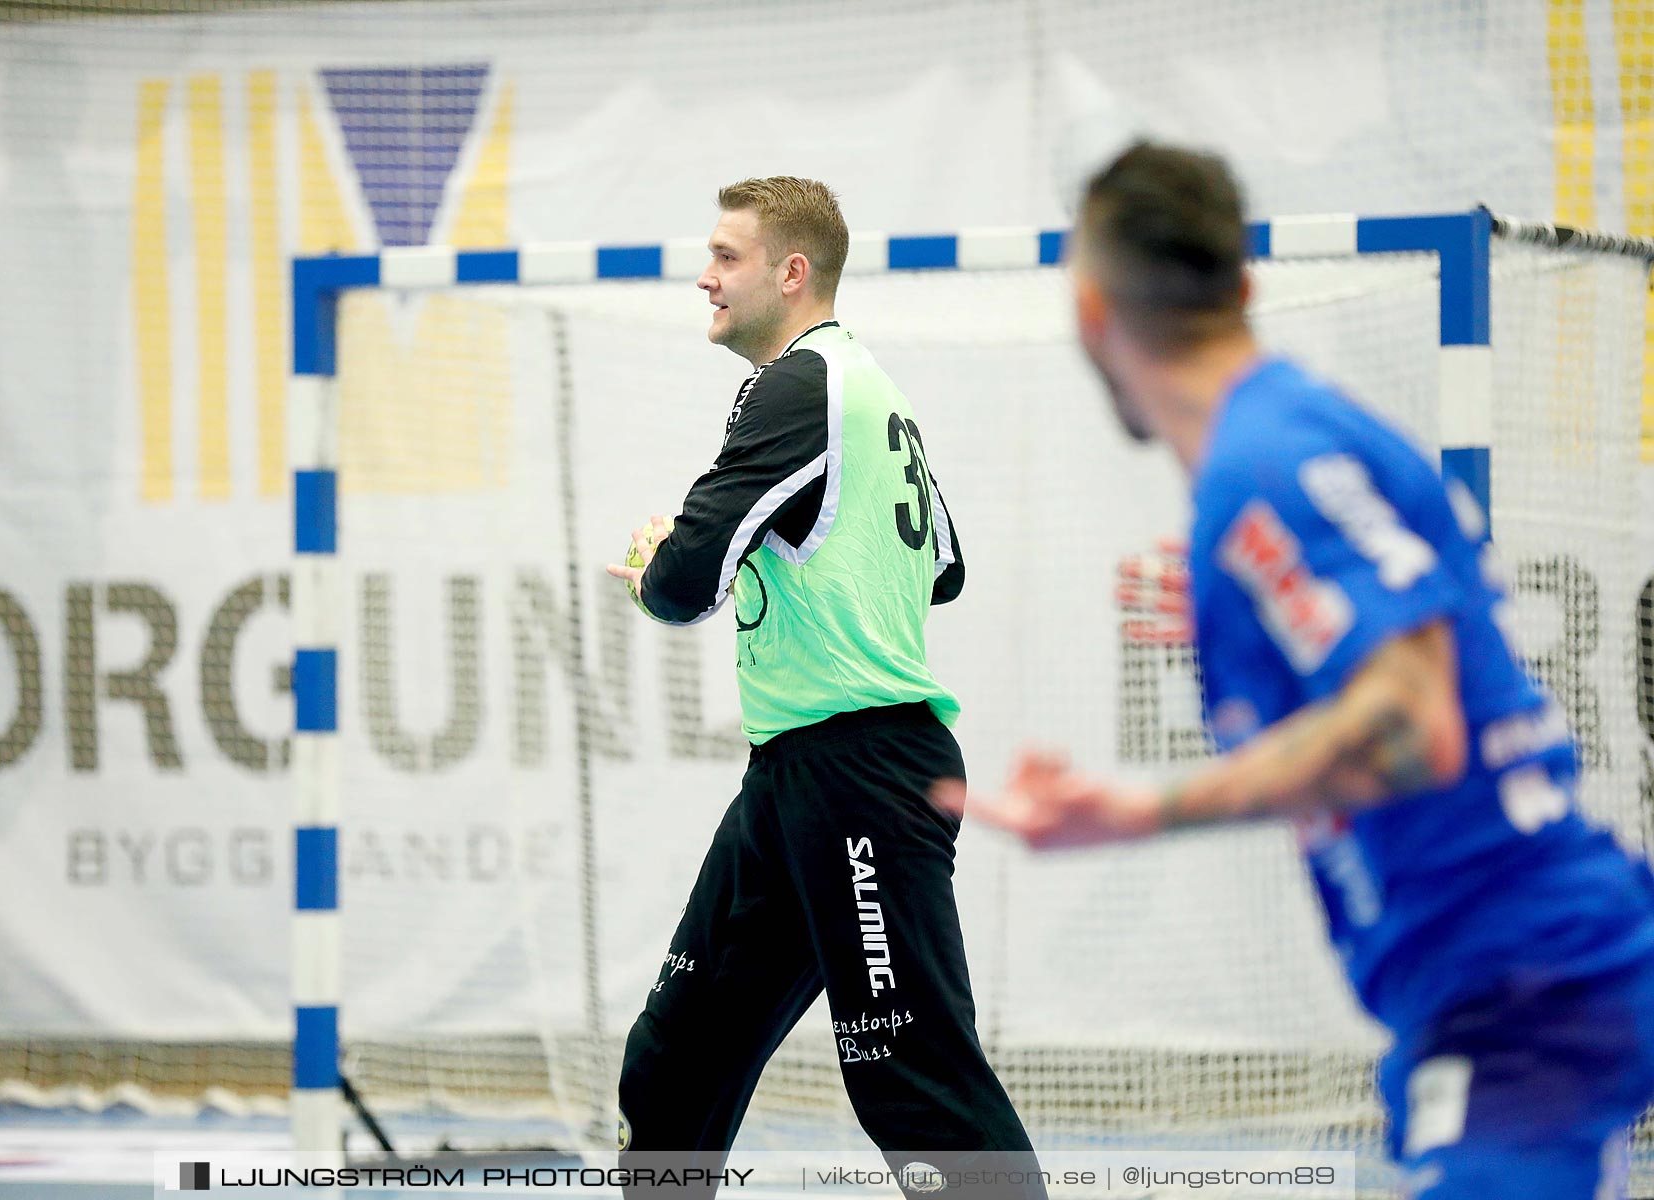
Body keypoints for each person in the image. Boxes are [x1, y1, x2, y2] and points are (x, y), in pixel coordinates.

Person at [939, 140, 1654, 1199]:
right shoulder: (1298, 437)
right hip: (1521, 979)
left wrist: (1137, 810)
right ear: (1245, 283)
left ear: (1092, 313)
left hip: (1523, 996)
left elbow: (1412, 730)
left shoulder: (1260, 467)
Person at [607, 177, 1044, 1197]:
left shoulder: (796, 385)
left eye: (727, 256)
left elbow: (681, 589)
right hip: (799, 775)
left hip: (860, 777)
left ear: (791, 273)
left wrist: (663, 558)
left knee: (916, 1083)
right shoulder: (870, 387)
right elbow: (943, 567)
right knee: (676, 1061)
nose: (704, 275)